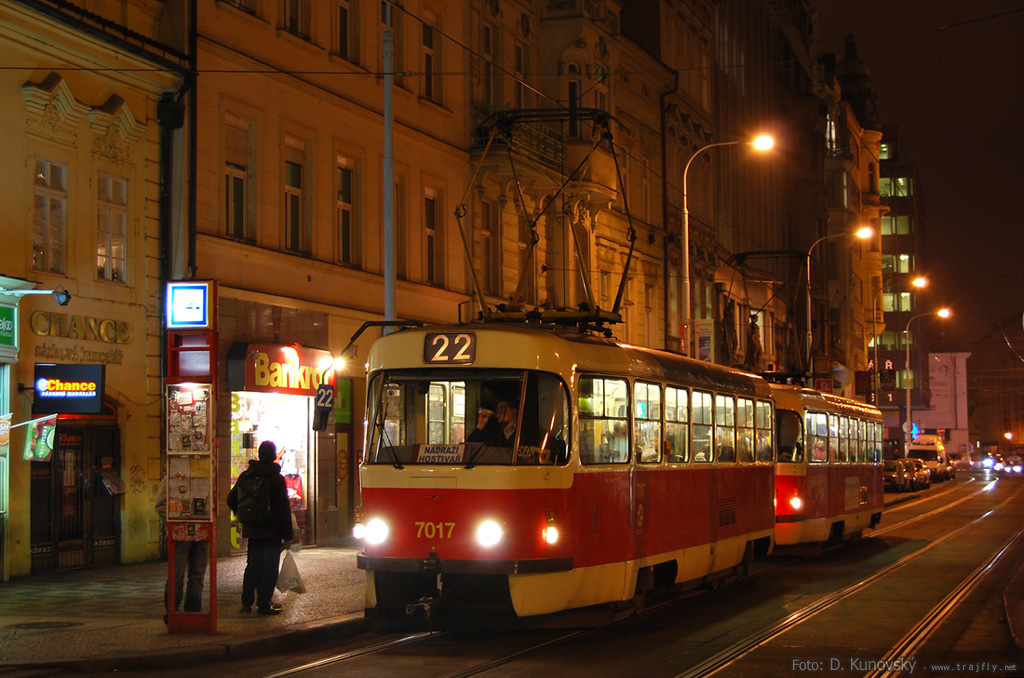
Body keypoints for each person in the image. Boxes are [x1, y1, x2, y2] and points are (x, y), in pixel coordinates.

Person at [227, 440, 294, 616]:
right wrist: (288, 535)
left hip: (253, 530)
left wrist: (243, 515)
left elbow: (231, 499)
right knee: (269, 568)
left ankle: (246, 603)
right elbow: (283, 508)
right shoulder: (276, 479)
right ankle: (264, 604)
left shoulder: (246, 475)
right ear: (273, 456)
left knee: (253, 567)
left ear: (259, 454)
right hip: (272, 531)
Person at [155, 474, 210, 622]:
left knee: (197, 575)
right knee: (176, 575)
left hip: (202, 531)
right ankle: (173, 611)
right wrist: (174, 522)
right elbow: (161, 505)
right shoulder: (171, 479)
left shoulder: (205, 479)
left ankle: (192, 611)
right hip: (180, 533)